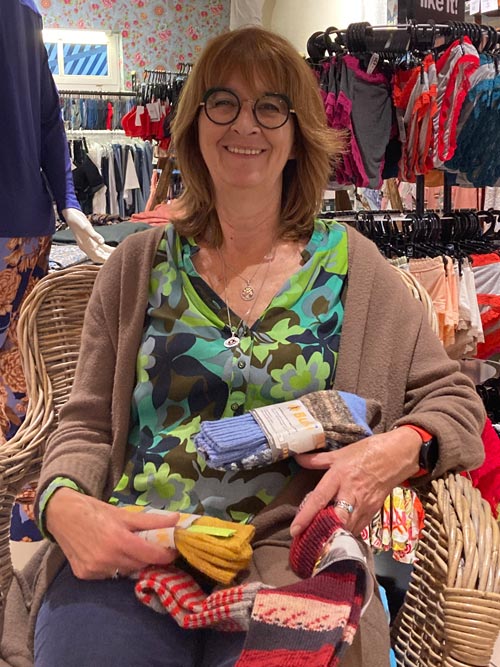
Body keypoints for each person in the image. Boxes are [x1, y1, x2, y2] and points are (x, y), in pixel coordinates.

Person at [2, 25, 485, 667]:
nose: (244, 124)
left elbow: (455, 401)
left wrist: (393, 452)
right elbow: (86, 422)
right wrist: (62, 503)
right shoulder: (137, 265)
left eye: (270, 106)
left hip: (293, 561)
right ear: (195, 125)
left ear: (299, 132)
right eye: (222, 102)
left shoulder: (355, 269)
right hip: (137, 544)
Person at [0, 0, 113, 449]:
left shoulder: (24, 9)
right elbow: (49, 117)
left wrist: (70, 203)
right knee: (18, 376)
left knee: (20, 374)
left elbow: (47, 115)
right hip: (27, 222)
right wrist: (67, 202)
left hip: (26, 227)